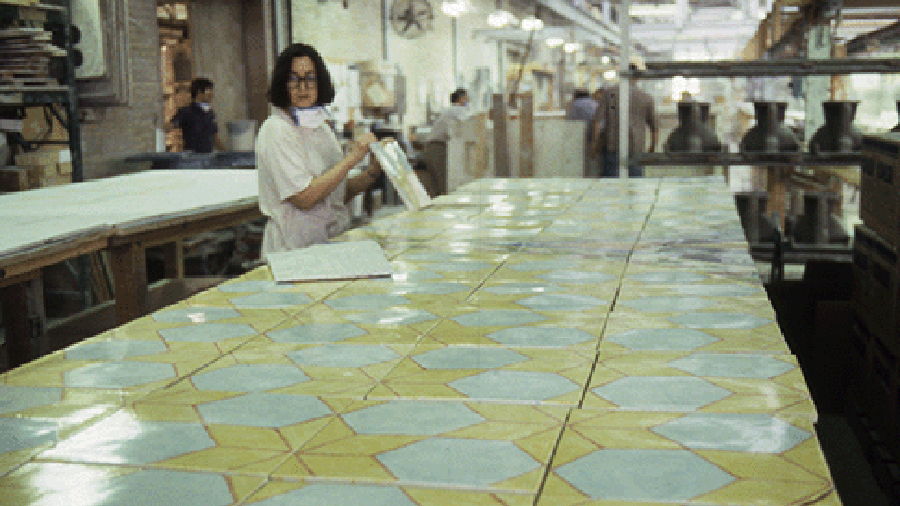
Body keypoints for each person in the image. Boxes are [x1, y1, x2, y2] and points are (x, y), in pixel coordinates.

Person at [255, 43, 383, 256]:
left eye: (310, 78)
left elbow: (335, 194)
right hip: (293, 251)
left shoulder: (321, 128)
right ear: (282, 84)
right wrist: (352, 159)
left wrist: (373, 171)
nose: (303, 87)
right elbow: (304, 198)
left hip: (328, 244)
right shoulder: (277, 130)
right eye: (294, 78)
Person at [591, 65, 658, 178]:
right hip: (636, 149)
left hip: (612, 146)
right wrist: (652, 149)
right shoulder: (646, 97)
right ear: (638, 78)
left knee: (610, 186)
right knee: (635, 186)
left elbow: (597, 121)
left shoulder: (609, 93)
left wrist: (594, 144)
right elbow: (655, 128)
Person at [421, 88, 470, 197]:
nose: (468, 100)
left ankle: (435, 212)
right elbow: (468, 124)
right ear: (461, 99)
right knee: (443, 186)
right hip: (437, 148)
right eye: (466, 98)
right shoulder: (457, 110)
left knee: (436, 188)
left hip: (432, 148)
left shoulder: (449, 110)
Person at [167, 77, 227, 153]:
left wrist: (227, 153)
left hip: (208, 157)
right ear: (199, 92)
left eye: (211, 91)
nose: (211, 94)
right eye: (208, 91)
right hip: (192, 157)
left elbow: (214, 136)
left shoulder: (210, 113)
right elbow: (171, 125)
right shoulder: (186, 111)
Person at [565, 89, 600, 178]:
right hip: (596, 136)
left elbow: (569, 121)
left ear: (575, 96)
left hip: (581, 137)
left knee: (580, 162)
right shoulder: (595, 103)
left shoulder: (575, 104)